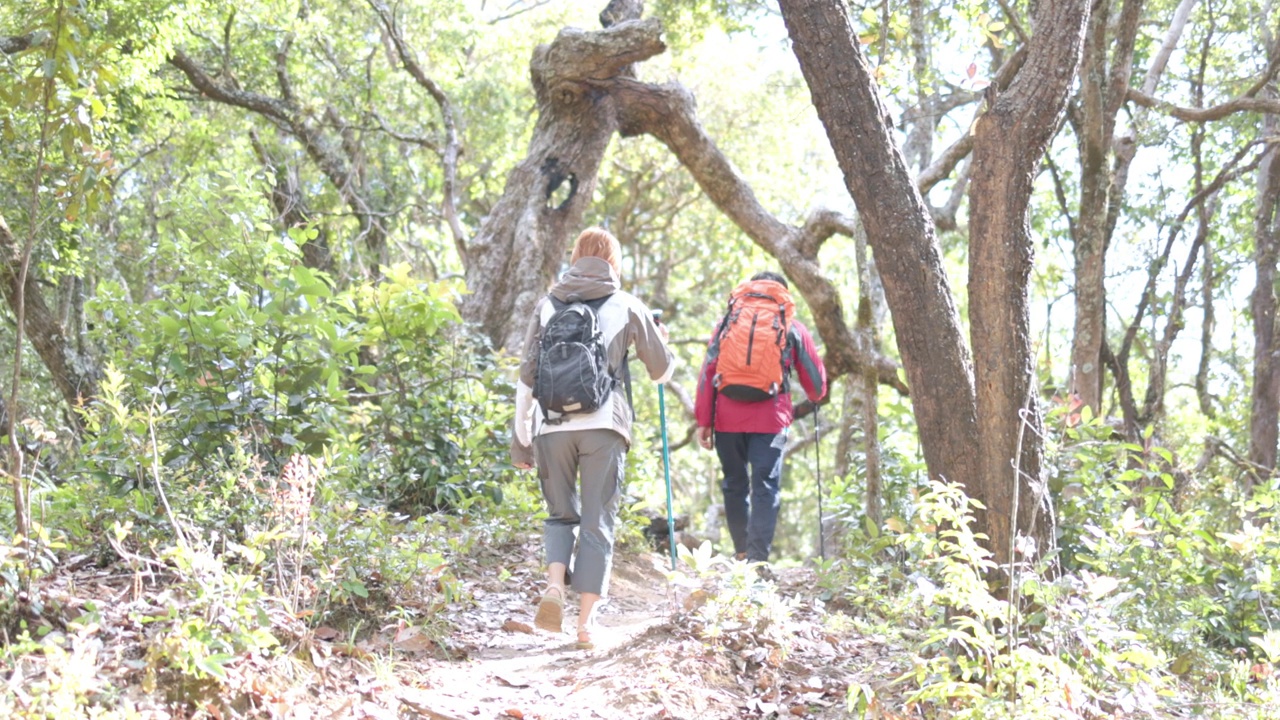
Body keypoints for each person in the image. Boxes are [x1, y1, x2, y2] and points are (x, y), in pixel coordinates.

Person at [511, 226, 675, 650]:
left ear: (575, 256)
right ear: (613, 263)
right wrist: (663, 342)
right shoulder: (627, 304)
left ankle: (552, 587)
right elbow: (661, 372)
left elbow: (526, 377)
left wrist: (520, 439)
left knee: (559, 515)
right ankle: (585, 625)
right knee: (597, 523)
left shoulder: (548, 305)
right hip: (604, 425)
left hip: (551, 427)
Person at [694, 271, 827, 565]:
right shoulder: (791, 326)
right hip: (770, 419)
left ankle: (740, 553)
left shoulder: (727, 324)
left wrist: (703, 419)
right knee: (765, 487)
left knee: (734, 483)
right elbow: (817, 388)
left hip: (727, 418)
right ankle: (756, 560)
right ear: (783, 295)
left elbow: (708, 372)